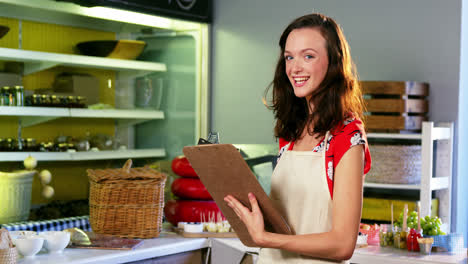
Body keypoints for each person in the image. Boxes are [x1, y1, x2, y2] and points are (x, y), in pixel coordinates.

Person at [224, 13, 372, 263]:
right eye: (289, 57)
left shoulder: (347, 136)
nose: (294, 68)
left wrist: (266, 239)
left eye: (308, 56)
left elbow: (343, 244)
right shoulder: (290, 131)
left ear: (334, 62)